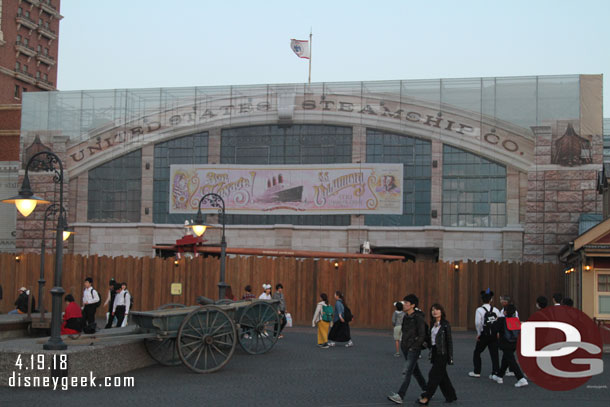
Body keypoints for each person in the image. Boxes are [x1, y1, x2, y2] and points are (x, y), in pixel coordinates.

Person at [388, 294, 427, 404]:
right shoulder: (406, 316)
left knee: (407, 371)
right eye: (404, 302)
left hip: (413, 349)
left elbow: (422, 334)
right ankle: (427, 389)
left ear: (413, 305)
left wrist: (414, 346)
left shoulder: (418, 318)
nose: (404, 305)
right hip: (406, 347)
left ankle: (400, 395)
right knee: (415, 371)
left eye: (406, 303)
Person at [418, 304, 457, 405]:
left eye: (437, 310)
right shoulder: (432, 324)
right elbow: (431, 341)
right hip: (435, 352)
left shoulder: (445, 325)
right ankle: (451, 395)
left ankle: (427, 396)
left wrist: (450, 357)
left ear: (441, 311)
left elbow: (449, 341)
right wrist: (423, 344)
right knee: (442, 376)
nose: (434, 312)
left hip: (443, 353)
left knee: (433, 375)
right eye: (433, 310)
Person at [493, 304, 528, 388]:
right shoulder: (516, 320)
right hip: (515, 342)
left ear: (505, 312)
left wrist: (495, 321)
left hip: (505, 343)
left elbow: (494, 329)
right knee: (506, 359)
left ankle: (521, 378)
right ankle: (499, 376)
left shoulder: (501, 320)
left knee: (511, 360)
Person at [469, 289, 500, 380]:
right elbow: (499, 322)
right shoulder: (496, 310)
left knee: (477, 352)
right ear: (491, 300)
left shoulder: (479, 310)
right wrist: (497, 332)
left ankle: (477, 371)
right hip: (494, 335)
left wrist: (479, 333)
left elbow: (478, 323)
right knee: (494, 354)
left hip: (484, 334)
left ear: (482, 299)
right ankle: (495, 372)